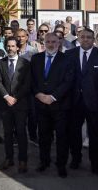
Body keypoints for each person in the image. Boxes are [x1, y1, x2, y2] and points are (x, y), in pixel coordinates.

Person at [66, 28, 98, 174]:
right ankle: (75, 158)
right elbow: (65, 79)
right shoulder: (69, 54)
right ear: (78, 38)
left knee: (96, 135)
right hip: (74, 102)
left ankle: (95, 162)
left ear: (94, 39)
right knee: (73, 133)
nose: (85, 39)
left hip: (95, 103)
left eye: (89, 37)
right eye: (83, 37)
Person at [31, 33, 75, 178]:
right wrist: (38, 94)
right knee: (43, 136)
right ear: (44, 42)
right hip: (41, 105)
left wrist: (53, 97)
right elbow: (32, 79)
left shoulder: (67, 59)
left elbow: (68, 81)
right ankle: (44, 162)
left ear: (59, 42)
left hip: (60, 106)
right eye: (48, 41)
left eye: (54, 42)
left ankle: (61, 165)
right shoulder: (36, 58)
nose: (51, 44)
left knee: (62, 137)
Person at [0, 37, 31, 173]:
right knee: (8, 133)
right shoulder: (1, 63)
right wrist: (6, 96)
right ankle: (9, 158)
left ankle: (23, 161)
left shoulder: (25, 63)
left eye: (12, 46)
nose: (10, 48)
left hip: (20, 104)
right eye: (8, 46)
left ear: (17, 48)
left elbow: (27, 84)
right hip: (5, 104)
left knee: (21, 133)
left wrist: (15, 98)